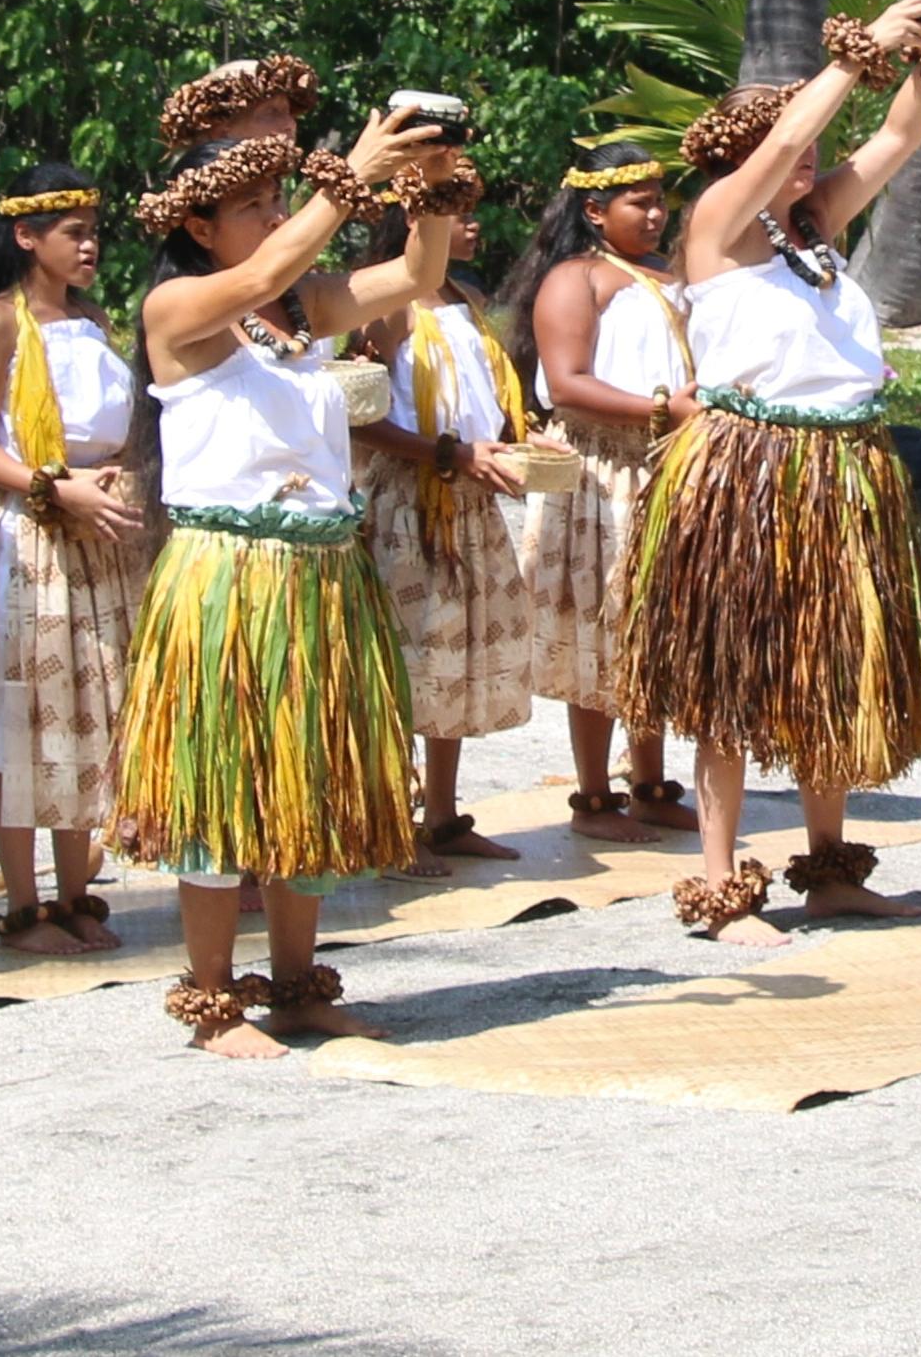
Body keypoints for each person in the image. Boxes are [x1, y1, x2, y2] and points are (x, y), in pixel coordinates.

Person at [617, 0, 921, 943]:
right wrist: (858, 55)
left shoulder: (809, 228)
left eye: (807, 134)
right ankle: (722, 884)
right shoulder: (721, 220)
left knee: (830, 667)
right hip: (748, 470)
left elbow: (894, 142)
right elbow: (778, 150)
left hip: (842, 468)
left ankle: (830, 867)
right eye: (784, 135)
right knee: (732, 680)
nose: (806, 150)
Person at [109, 109, 451, 1057]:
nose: (269, 218)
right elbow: (261, 273)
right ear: (198, 229)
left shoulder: (298, 309)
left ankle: (299, 987)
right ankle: (213, 1000)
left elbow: (418, 278)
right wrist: (348, 175)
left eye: (274, 201)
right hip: (226, 574)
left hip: (321, 572)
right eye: (252, 206)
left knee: (312, 780)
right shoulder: (178, 311)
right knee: (221, 786)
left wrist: (431, 190)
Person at [0, 164, 146, 956]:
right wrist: (57, 486)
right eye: (73, 233)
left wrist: (115, 477)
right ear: (26, 235)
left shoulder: (92, 320)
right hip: (30, 537)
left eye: (94, 230)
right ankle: (25, 907)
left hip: (102, 537)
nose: (90, 246)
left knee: (89, 710)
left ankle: (78, 893)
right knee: (21, 716)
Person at [500, 142, 698, 842]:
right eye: (637, 202)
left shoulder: (669, 276)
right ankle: (593, 795)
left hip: (669, 465)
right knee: (600, 629)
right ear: (594, 209)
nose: (654, 213)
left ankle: (648, 781)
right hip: (605, 472)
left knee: (655, 629)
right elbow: (566, 384)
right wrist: (661, 410)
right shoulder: (576, 279)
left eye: (658, 199)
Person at [355, 159, 538, 873]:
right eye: (457, 210)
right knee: (408, 660)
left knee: (452, 662)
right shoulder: (385, 306)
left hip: (469, 500)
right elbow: (360, 419)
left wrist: (518, 447)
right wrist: (447, 454)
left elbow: (482, 397)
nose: (473, 222)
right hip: (411, 500)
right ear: (415, 220)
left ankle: (442, 815)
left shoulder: (465, 295)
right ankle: (389, 823)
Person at [158, 53, 320, 154]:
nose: (290, 124)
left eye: (288, 112)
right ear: (221, 134)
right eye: (271, 113)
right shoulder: (210, 204)